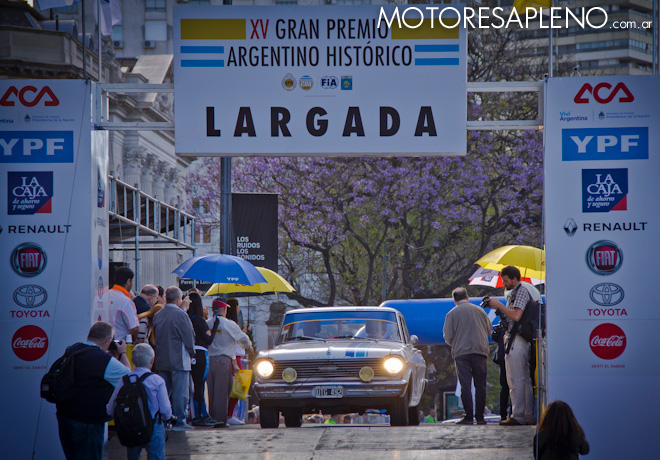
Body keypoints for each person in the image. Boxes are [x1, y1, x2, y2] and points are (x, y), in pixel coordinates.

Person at [55, 321, 130, 460]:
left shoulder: (73, 349)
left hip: (65, 417)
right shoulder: (103, 360)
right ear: (108, 340)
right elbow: (128, 377)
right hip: (89, 422)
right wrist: (122, 354)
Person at [487, 265, 540, 426]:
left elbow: (516, 316)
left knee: (515, 378)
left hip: (518, 338)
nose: (505, 284)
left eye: (506, 281)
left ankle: (518, 415)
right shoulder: (518, 292)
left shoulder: (522, 290)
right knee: (523, 379)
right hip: (517, 337)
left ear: (515, 279)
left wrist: (499, 305)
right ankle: (527, 414)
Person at [106, 343, 172, 460]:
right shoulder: (157, 380)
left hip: (131, 426)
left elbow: (110, 408)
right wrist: (167, 418)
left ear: (132, 360)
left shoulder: (124, 380)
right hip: (154, 427)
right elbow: (165, 410)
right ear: (152, 360)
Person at [443, 287, 492, 425]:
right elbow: (489, 331)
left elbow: (448, 337)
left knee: (465, 385)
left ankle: (469, 417)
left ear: (455, 300)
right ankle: (480, 417)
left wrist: (457, 343)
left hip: (461, 353)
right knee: (480, 385)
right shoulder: (480, 311)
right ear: (467, 297)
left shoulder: (451, 314)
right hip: (480, 351)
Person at [152, 286, 195, 431]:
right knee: (180, 393)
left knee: (163, 391)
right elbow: (189, 337)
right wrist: (192, 352)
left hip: (162, 359)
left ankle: (163, 420)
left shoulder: (158, 314)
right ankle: (179, 421)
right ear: (178, 299)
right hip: (179, 358)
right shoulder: (181, 314)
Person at [206, 299, 253, 426]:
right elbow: (242, 338)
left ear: (212, 310)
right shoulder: (229, 324)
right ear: (225, 310)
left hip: (210, 360)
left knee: (211, 392)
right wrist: (249, 346)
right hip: (224, 360)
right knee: (222, 392)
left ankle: (211, 417)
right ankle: (220, 420)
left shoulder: (208, 323)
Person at [187, 292, 220, 427]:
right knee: (200, 385)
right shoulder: (200, 321)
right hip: (201, 354)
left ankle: (198, 414)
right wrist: (215, 325)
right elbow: (209, 340)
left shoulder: (187, 319)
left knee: (195, 385)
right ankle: (202, 416)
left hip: (190, 355)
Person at [226, 297, 251, 425]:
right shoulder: (231, 323)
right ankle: (228, 414)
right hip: (235, 358)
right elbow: (241, 340)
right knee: (237, 387)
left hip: (235, 357)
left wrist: (244, 331)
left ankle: (229, 414)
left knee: (235, 387)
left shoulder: (229, 323)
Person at [102, 266, 139, 342]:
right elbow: (134, 328)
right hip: (119, 346)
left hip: (102, 342)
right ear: (128, 281)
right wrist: (133, 342)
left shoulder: (103, 296)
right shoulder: (125, 301)